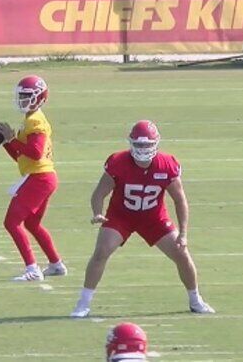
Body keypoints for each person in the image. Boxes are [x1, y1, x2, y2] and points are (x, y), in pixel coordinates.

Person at [70, 120, 215, 318]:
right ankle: (83, 303)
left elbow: (180, 201)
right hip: (121, 215)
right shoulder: (118, 162)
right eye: (139, 144)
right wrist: (97, 212)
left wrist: (183, 233)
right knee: (101, 251)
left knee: (182, 254)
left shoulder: (167, 164)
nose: (143, 149)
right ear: (131, 143)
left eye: (147, 145)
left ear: (156, 144)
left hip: (154, 217)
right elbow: (98, 194)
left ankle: (195, 300)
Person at [0, 76, 66, 281]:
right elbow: (21, 157)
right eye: (22, 96)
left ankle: (32, 269)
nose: (23, 100)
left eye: (28, 96)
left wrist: (12, 140)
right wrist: (8, 143)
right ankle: (56, 264)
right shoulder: (31, 118)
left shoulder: (35, 120)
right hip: (41, 177)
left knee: (12, 222)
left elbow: (34, 153)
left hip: (39, 178)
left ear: (40, 98)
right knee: (32, 225)